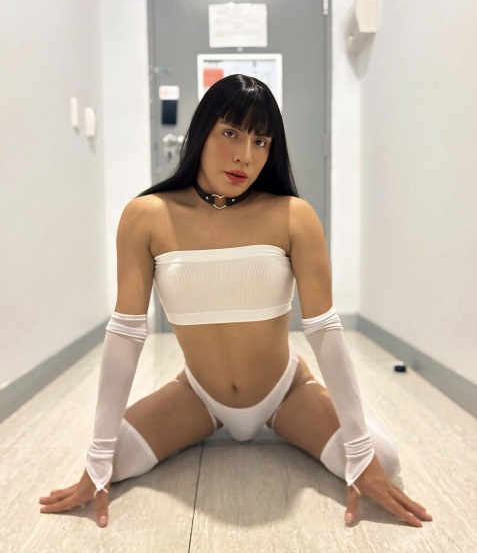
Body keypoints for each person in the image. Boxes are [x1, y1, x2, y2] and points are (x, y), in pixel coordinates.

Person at [39, 74, 432, 529]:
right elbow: (126, 335)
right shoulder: (146, 216)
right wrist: (97, 455)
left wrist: (359, 450)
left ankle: (345, 427)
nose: (246, 155)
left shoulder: (293, 216)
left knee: (385, 460)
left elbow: (324, 330)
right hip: (198, 396)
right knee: (106, 464)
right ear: (201, 132)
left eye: (261, 141)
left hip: (286, 392)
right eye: (231, 134)